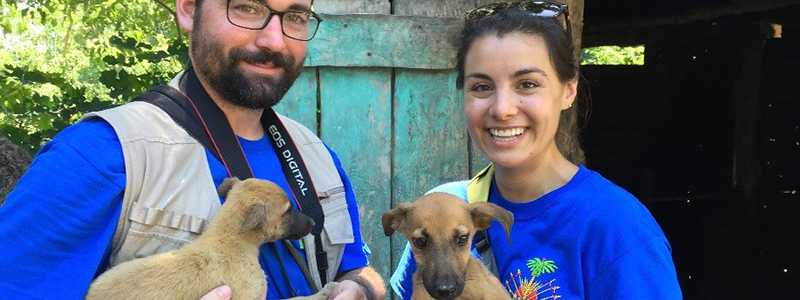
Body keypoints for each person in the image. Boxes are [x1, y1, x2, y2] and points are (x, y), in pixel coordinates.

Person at [0, 0, 386, 299]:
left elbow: (355, 270)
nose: (274, 40)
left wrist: (361, 289)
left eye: (296, 16)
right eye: (247, 7)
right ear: (188, 9)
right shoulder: (99, 156)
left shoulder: (320, 159)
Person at [389, 1, 682, 299]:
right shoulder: (443, 210)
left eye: (527, 84)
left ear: (568, 90)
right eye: (481, 86)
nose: (502, 109)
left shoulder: (616, 227)